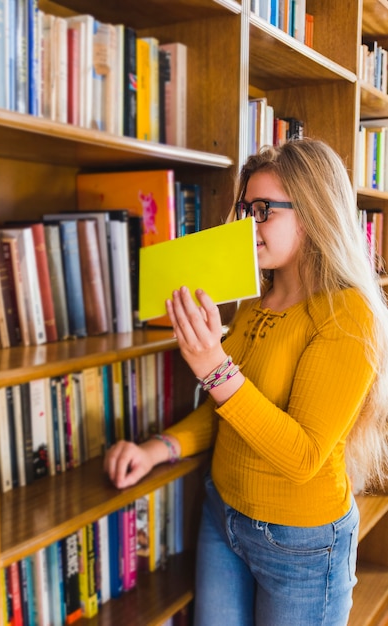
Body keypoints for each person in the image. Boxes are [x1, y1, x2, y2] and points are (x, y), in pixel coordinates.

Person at [104, 138, 388, 626]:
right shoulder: (256, 302)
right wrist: (159, 448)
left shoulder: (347, 316)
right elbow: (229, 414)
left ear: (314, 211)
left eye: (262, 210)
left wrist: (215, 367)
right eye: (244, 209)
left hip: (302, 544)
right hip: (224, 516)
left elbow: (302, 456)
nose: (247, 225)